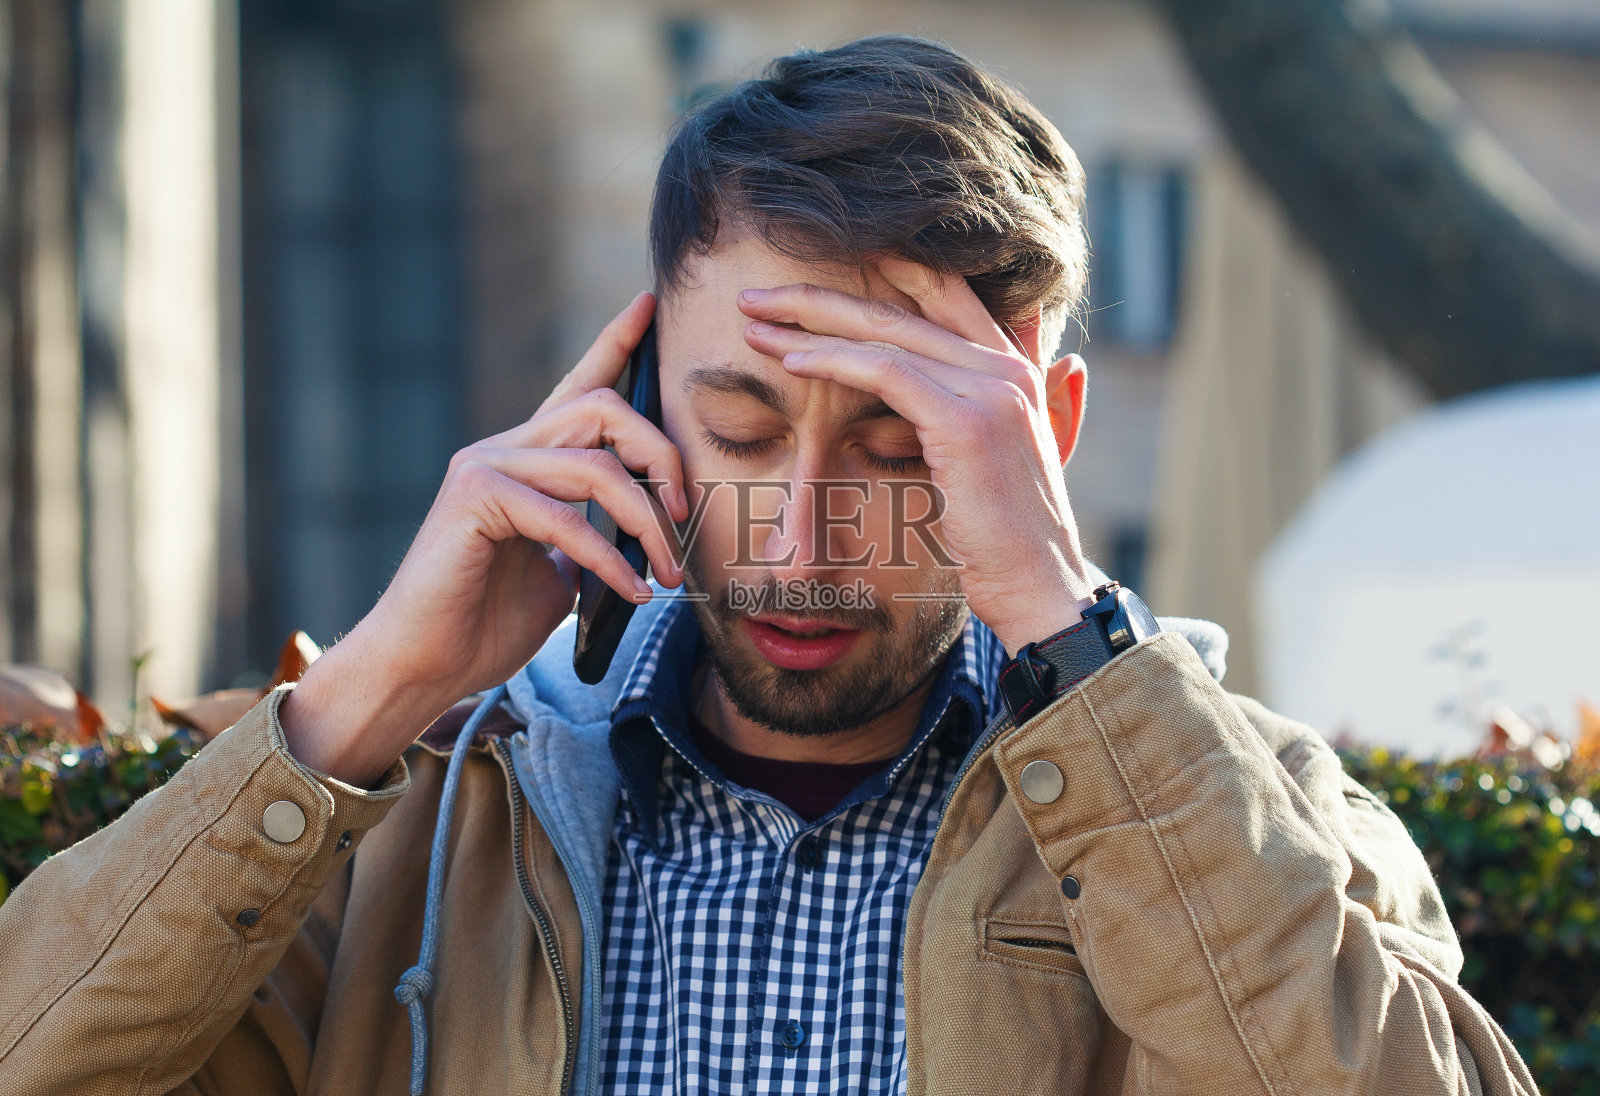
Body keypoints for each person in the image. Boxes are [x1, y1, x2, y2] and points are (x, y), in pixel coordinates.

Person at [0, 34, 1535, 1096]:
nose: (800, 544)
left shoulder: (1245, 814)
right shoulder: (404, 825)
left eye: (899, 446)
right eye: (737, 423)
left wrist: (1072, 645)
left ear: (1044, 438)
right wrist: (381, 682)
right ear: (635, 394)